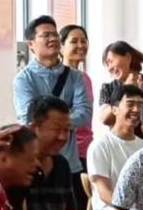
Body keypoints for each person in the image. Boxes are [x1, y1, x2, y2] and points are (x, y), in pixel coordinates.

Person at [12, 15, 91, 176]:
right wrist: (66, 119)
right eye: (46, 35)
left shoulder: (75, 77)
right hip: (36, 162)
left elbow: (84, 115)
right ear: (31, 44)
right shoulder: (23, 80)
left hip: (70, 163)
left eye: (55, 35)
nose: (53, 39)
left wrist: (49, 123)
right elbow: (28, 118)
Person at [87, 84, 143, 210]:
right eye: (130, 104)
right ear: (114, 109)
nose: (136, 110)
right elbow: (104, 192)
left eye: (140, 105)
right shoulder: (100, 146)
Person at [61, 24, 93, 210]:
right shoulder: (57, 77)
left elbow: (86, 116)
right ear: (61, 46)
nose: (80, 45)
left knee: (83, 206)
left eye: (83, 41)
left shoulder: (84, 77)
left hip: (86, 149)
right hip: (68, 151)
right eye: (74, 41)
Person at [98, 41, 143, 127]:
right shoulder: (108, 88)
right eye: (107, 64)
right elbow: (105, 119)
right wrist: (124, 89)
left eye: (110, 61)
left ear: (128, 57)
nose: (109, 68)